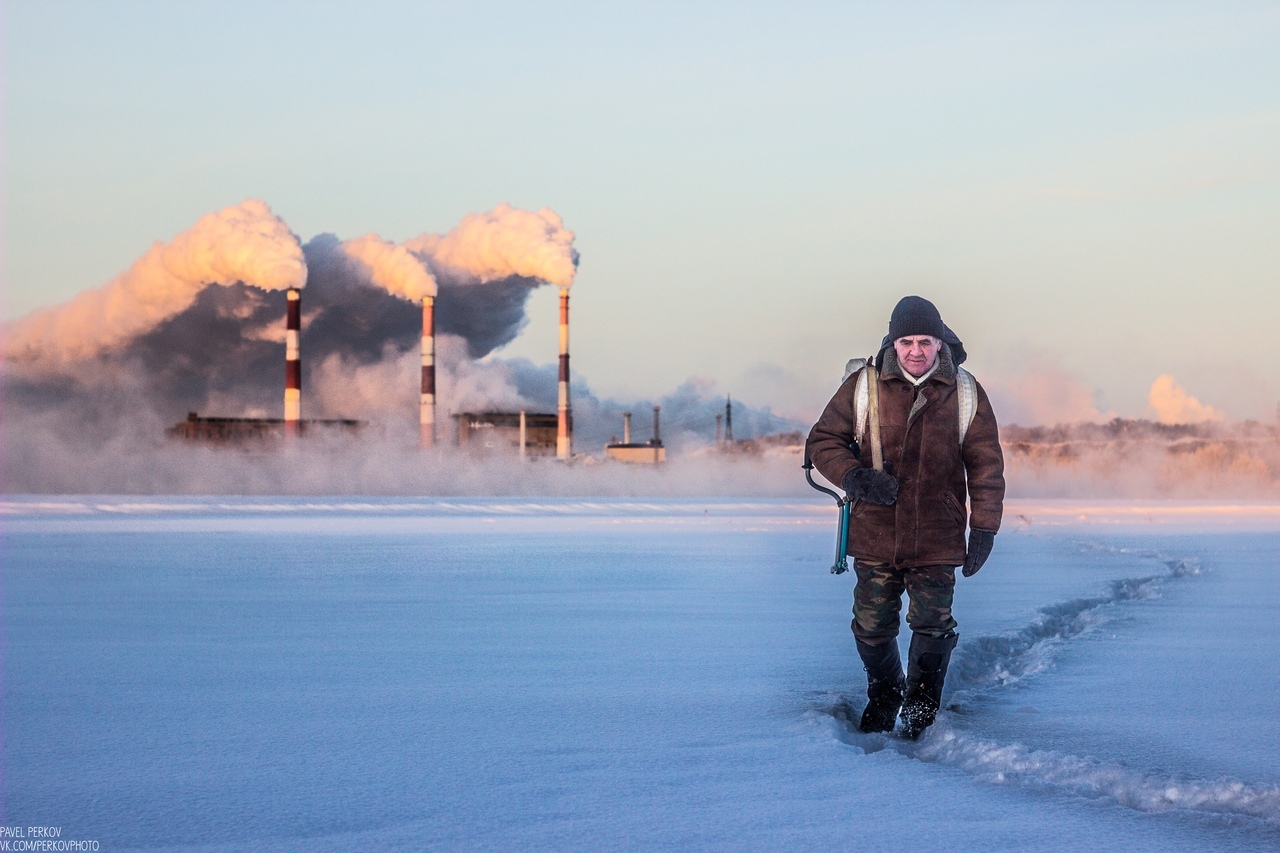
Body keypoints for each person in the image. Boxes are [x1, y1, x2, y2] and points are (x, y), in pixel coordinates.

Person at [806, 296, 1005, 739]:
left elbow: (987, 467)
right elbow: (822, 442)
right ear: (893, 343)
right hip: (875, 533)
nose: (916, 350)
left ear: (940, 342)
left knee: (933, 624)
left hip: (938, 535)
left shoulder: (967, 392)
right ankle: (885, 693)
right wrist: (855, 476)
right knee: (872, 623)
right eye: (907, 341)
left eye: (925, 341)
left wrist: (985, 528)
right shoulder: (863, 385)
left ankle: (920, 709)